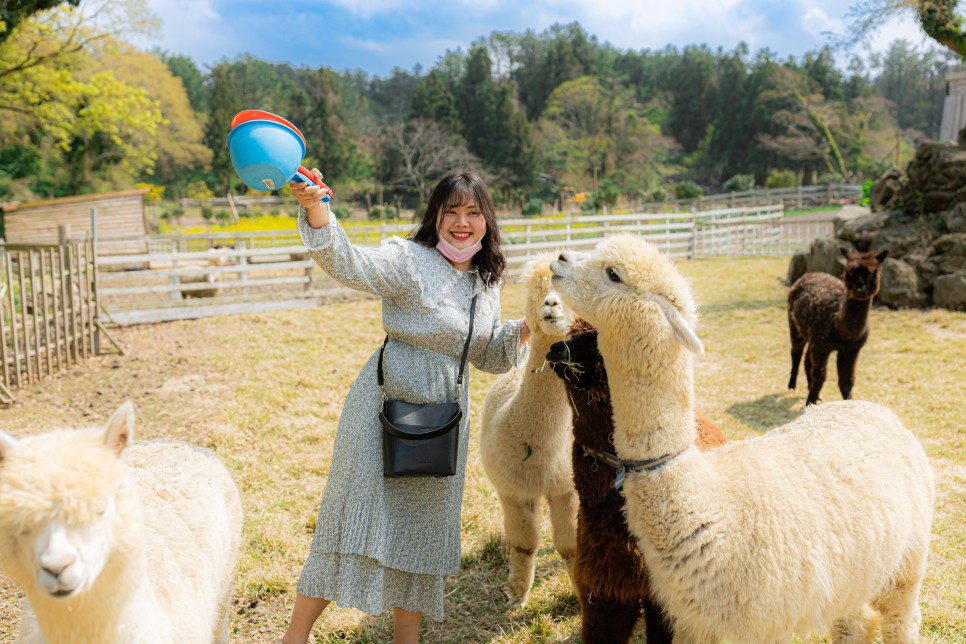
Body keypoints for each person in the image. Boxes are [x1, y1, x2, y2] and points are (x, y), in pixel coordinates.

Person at [275, 168, 531, 644]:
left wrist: (532, 321)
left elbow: (490, 355)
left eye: (472, 213)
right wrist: (315, 208)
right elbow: (346, 261)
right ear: (435, 215)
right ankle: (294, 637)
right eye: (450, 211)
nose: (461, 222)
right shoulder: (407, 259)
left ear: (486, 220)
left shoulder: (486, 280)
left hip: (444, 422)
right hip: (381, 410)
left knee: (420, 533)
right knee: (352, 515)